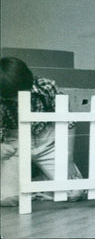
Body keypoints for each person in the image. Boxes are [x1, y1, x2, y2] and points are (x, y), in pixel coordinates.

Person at [0, 57, 85, 206]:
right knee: (7, 198)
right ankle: (32, 184)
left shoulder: (46, 86)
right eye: (13, 98)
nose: (18, 101)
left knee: (75, 192)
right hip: (15, 142)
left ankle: (40, 182)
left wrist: (68, 159)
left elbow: (68, 122)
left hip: (47, 140)